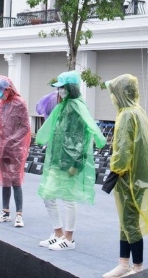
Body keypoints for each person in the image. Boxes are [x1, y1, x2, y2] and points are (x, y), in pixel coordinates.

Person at [102, 74, 148, 278]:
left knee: (129, 221)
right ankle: (124, 263)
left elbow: (123, 150)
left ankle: (135, 267)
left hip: (129, 179)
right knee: (127, 220)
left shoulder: (127, 115)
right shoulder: (138, 112)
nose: (112, 98)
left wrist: (115, 170)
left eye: (114, 93)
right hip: (137, 177)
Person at [35, 71, 105, 251]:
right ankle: (57, 233)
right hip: (57, 160)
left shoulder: (77, 107)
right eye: (58, 87)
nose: (59, 90)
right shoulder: (62, 106)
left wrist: (77, 163)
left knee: (68, 199)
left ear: (70, 88)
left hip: (70, 162)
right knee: (48, 196)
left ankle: (69, 238)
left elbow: (85, 136)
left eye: (62, 87)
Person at [0, 76, 32, 227]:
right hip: (1, 147)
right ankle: (5, 212)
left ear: (8, 89)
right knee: (5, 180)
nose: (0, 95)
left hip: (15, 148)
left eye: (1, 91)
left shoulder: (20, 103)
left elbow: (25, 127)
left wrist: (11, 141)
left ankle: (19, 214)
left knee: (15, 180)